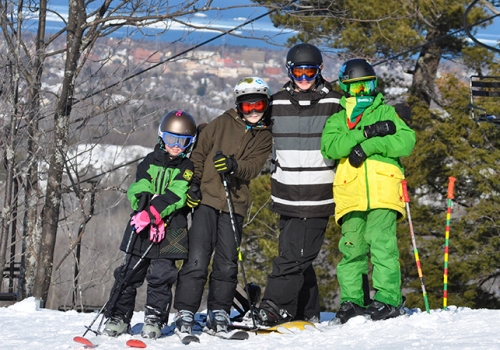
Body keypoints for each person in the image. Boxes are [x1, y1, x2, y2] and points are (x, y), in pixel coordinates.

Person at [173, 76, 273, 334]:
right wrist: (193, 185)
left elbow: (252, 168)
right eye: (248, 107)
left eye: (258, 106)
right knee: (197, 257)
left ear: (266, 105)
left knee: (228, 261)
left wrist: (234, 166)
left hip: (234, 203)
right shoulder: (220, 123)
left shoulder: (264, 135)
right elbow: (197, 155)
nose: (253, 112)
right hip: (206, 199)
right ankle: (186, 310)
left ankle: (219, 309)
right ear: (239, 106)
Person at [320, 58, 416, 324]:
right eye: (356, 88)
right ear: (345, 88)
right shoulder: (338, 119)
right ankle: (354, 300)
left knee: (381, 242)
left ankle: (388, 299)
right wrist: (367, 133)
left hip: (383, 188)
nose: (362, 93)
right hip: (351, 193)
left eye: (367, 86)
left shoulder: (386, 112)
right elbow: (331, 147)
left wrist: (370, 147)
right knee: (352, 248)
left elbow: (405, 141)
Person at [255, 43, 343, 326]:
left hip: (318, 194)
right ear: (289, 71)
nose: (303, 78)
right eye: (298, 72)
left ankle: (275, 306)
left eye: (309, 72)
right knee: (295, 255)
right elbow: (249, 124)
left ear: (319, 71)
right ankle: (307, 310)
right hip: (286, 193)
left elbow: (360, 122)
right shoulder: (277, 102)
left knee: (292, 258)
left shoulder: (336, 102)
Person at [102, 110, 196, 339]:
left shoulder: (187, 168)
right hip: (142, 226)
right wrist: (145, 209)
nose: (176, 146)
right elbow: (138, 187)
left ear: (189, 143)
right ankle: (119, 315)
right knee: (129, 272)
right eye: (171, 139)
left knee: (161, 275)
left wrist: (155, 212)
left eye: (182, 142)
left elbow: (178, 194)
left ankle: (154, 317)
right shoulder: (148, 161)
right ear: (162, 138)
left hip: (172, 228)